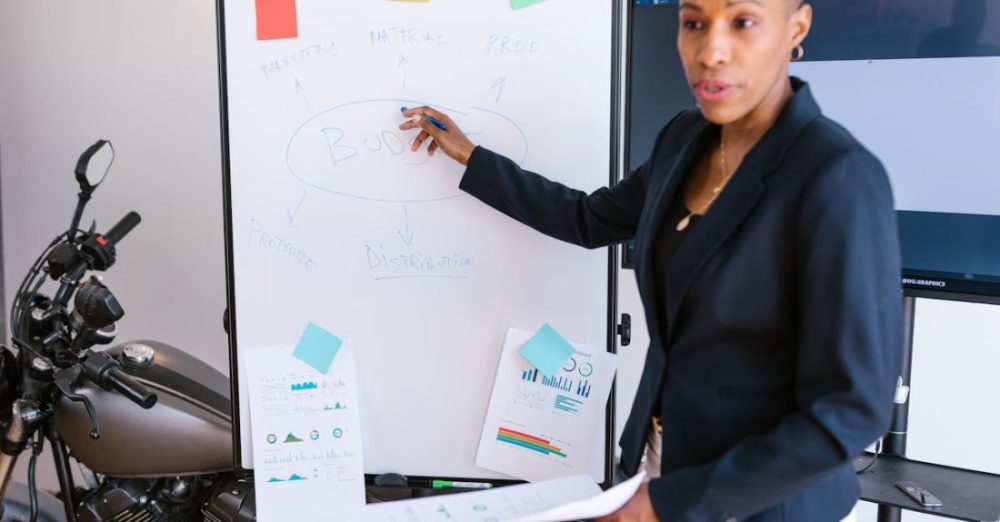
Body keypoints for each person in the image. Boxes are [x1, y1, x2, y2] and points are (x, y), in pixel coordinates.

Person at [399, 0, 903, 519]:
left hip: (759, 500)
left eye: (743, 22)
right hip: (658, 463)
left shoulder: (837, 177)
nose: (711, 51)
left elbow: (851, 409)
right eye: (693, 23)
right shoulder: (684, 140)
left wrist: (670, 503)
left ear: (796, 27)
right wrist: (471, 157)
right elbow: (587, 219)